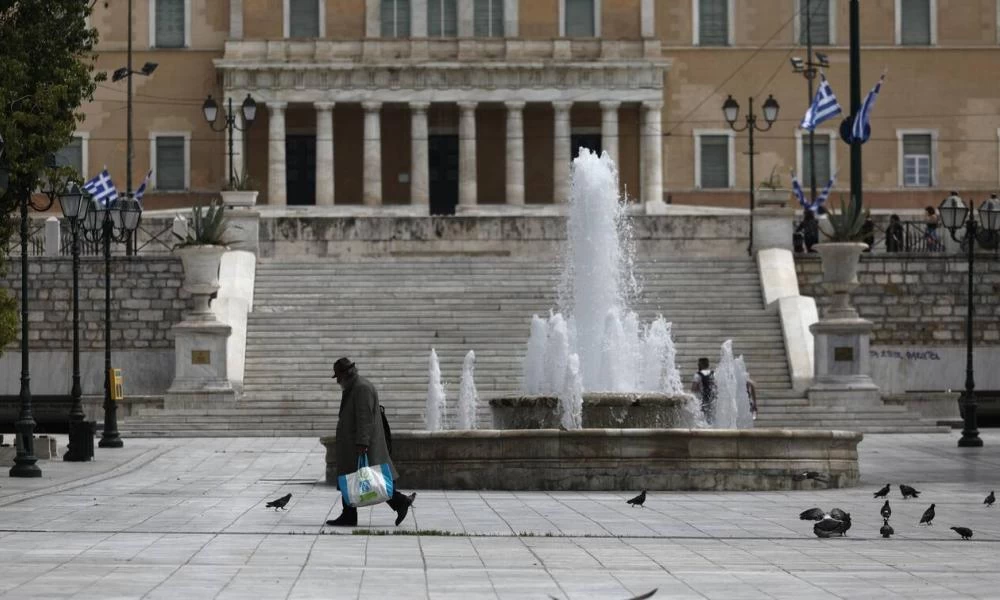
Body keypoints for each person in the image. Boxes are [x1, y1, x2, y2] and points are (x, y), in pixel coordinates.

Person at [326, 357, 416, 527]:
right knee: (353, 479)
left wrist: (362, 442)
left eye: (338, 376)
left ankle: (399, 502)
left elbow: (364, 418)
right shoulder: (354, 387)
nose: (337, 380)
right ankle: (350, 514)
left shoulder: (361, 388)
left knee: (367, 480)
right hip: (353, 444)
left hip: (358, 444)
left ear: (347, 374)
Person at [690, 357, 716, 424]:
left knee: (704, 417)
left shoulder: (698, 375)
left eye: (698, 364)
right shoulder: (713, 373)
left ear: (700, 365)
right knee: (712, 416)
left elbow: (694, 388)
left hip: (702, 399)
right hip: (713, 398)